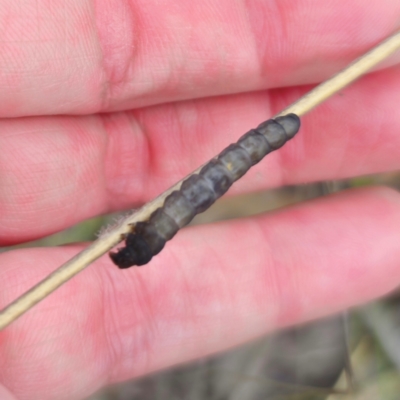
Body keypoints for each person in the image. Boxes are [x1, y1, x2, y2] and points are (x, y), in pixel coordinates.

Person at [0, 2, 400, 399]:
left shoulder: (146, 234)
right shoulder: (148, 232)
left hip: (263, 140)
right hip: (246, 154)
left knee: (223, 173)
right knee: (220, 175)